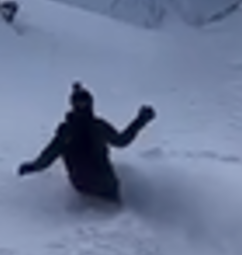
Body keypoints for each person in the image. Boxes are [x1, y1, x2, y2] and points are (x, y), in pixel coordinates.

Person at [18, 82, 155, 203]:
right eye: (79, 103)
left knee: (110, 217)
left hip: (92, 185)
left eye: (84, 103)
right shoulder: (77, 129)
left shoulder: (79, 129)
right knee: (110, 217)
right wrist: (34, 166)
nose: (82, 106)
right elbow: (49, 155)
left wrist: (140, 120)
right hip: (98, 185)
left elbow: (121, 141)